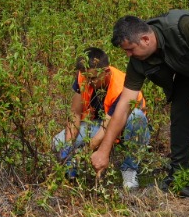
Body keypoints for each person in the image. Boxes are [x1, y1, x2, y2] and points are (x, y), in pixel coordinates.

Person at [93, 11, 189, 197]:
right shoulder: (137, 59)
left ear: (145, 39)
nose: (128, 55)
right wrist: (104, 149)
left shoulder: (181, 27)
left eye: (130, 49)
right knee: (180, 109)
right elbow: (124, 104)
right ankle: (177, 173)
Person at [52, 48, 151, 189]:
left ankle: (129, 169)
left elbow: (108, 126)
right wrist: (67, 147)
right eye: (85, 77)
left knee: (137, 116)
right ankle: (74, 173)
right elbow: (75, 113)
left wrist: (83, 155)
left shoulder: (122, 86)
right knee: (58, 143)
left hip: (125, 126)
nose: (88, 82)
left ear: (106, 72)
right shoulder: (84, 76)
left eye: (92, 78)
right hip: (98, 123)